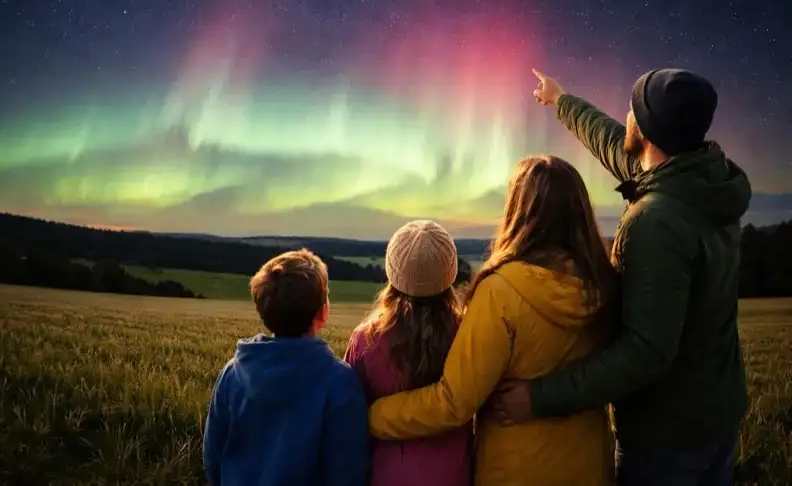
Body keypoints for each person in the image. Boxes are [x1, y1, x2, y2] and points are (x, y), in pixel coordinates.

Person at [490, 68, 752, 486]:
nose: (625, 116)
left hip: (668, 439)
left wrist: (538, 398)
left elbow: (645, 353)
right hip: (716, 413)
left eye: (632, 110)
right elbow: (611, 140)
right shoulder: (703, 180)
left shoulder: (656, 223)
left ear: (646, 132)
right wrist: (560, 100)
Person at [367, 156, 620, 486]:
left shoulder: (500, 291)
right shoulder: (604, 284)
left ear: (518, 210)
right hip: (589, 466)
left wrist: (375, 414)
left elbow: (454, 402)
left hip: (516, 470)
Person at [203, 248, 369, 486]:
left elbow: (213, 457)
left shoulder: (232, 373)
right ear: (323, 313)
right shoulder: (340, 383)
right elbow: (347, 473)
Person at [344, 220, 472, 486]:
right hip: (454, 475)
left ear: (392, 271)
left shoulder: (365, 340)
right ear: (450, 272)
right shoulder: (468, 334)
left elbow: (349, 415)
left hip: (387, 475)